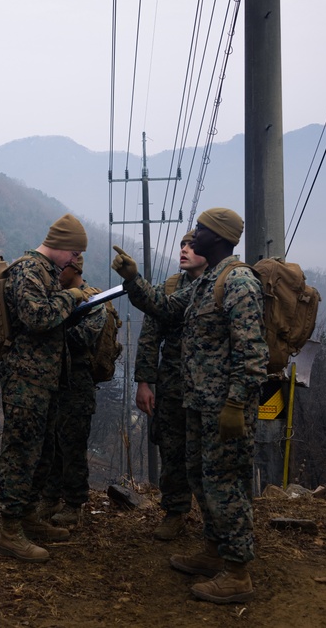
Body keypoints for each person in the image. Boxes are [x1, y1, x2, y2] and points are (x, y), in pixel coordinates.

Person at [111, 207, 267, 604]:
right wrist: (133, 279)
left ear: (218, 238)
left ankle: (237, 572)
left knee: (225, 484)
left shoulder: (238, 282)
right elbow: (165, 309)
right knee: (201, 478)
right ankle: (214, 552)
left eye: (200, 230)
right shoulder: (204, 284)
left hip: (224, 409)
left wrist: (236, 403)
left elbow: (252, 353)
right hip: (198, 403)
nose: (193, 235)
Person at [0, 213, 91, 563]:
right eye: (75, 253)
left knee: (42, 452)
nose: (76, 261)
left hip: (44, 379)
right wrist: (74, 297)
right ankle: (9, 530)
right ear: (62, 245)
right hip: (25, 379)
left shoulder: (45, 272)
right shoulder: (30, 270)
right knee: (21, 452)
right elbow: (36, 317)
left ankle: (28, 517)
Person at [134, 232, 206, 541]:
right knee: (173, 449)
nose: (185, 250)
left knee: (208, 454)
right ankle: (175, 511)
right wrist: (144, 382)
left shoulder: (222, 285)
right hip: (174, 384)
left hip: (209, 387)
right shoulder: (170, 289)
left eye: (192, 246)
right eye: (182, 245)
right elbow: (150, 337)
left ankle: (217, 522)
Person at [37, 255, 107, 528]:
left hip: (77, 384)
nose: (55, 274)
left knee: (73, 445)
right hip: (55, 380)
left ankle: (74, 504)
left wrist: (52, 329)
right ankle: (50, 498)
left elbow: (80, 339)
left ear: (74, 269)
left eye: (60, 269)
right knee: (50, 443)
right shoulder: (55, 298)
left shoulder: (93, 302)